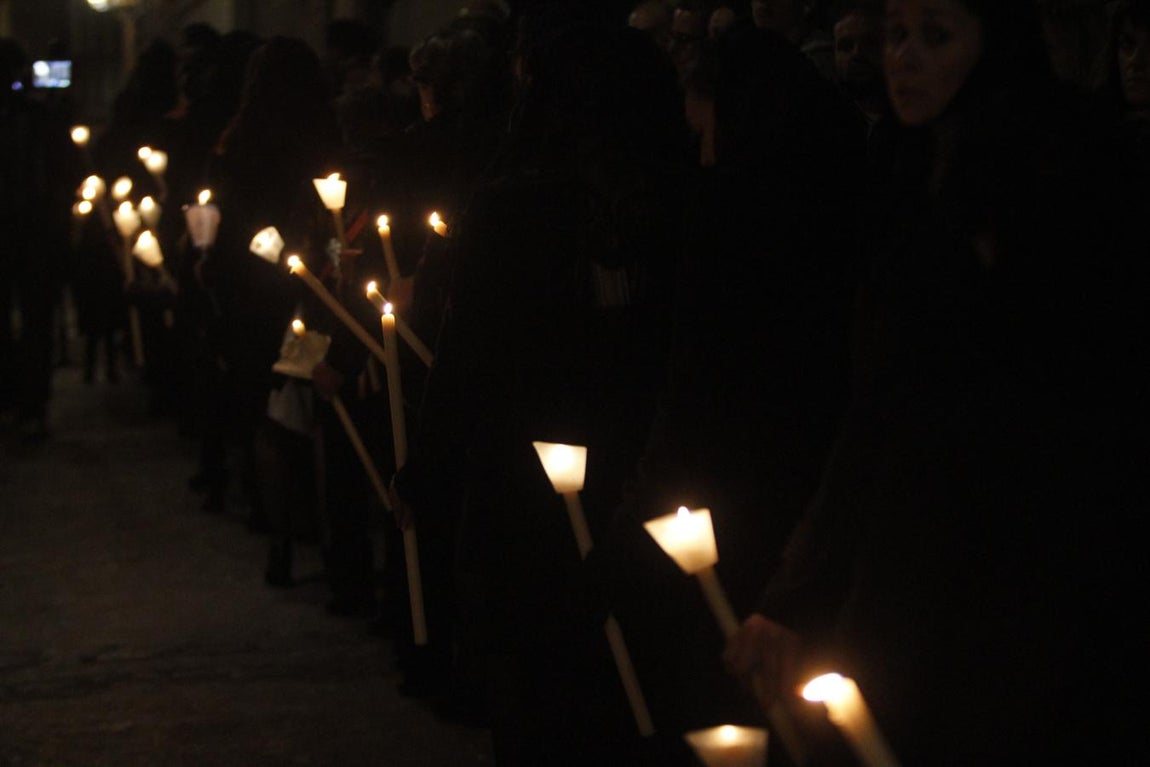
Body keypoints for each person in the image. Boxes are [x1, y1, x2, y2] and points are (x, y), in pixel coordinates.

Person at [723, 1, 1146, 763]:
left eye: (936, 37)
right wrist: (799, 590)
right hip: (915, 550)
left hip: (1028, 565)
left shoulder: (1060, 173)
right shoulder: (903, 169)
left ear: (992, 46)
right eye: (896, 36)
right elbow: (878, 403)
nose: (904, 58)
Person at [0, 37, 71, 442]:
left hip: (33, 231)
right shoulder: (39, 118)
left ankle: (27, 401)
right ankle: (23, 400)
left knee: (35, 319)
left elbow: (62, 170)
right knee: (34, 319)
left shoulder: (39, 119)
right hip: (32, 231)